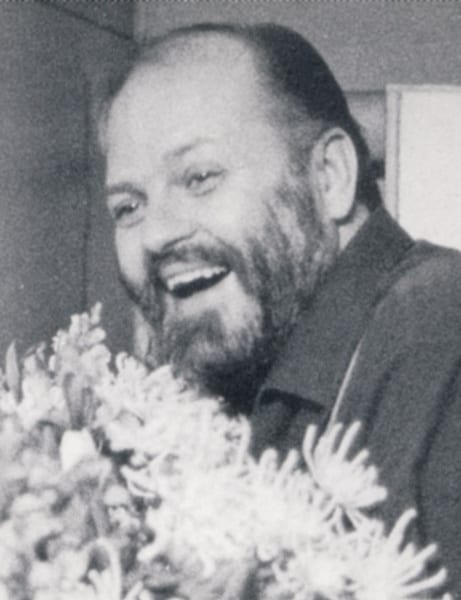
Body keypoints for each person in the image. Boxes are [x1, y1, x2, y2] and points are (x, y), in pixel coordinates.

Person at [100, 22, 461, 596]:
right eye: (128, 207)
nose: (156, 234)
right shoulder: (243, 372)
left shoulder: (441, 340)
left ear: (330, 176)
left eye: (200, 177)